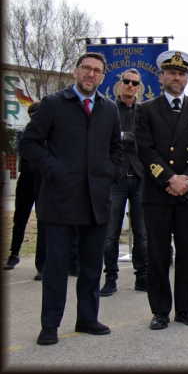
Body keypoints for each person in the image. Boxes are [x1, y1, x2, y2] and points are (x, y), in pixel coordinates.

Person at [19, 52, 123, 345]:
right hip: (60, 199)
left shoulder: (109, 109)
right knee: (56, 266)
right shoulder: (53, 104)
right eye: (86, 69)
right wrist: (55, 169)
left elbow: (117, 148)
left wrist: (110, 173)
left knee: (91, 265)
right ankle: (50, 324)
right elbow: (28, 142)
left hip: (96, 200)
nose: (91, 75)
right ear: (76, 71)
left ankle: (87, 318)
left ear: (103, 77)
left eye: (97, 71)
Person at [136, 50, 188, 330]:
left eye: (181, 74)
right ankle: (160, 311)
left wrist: (186, 180)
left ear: (187, 79)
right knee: (157, 254)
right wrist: (170, 179)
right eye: (171, 73)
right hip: (158, 192)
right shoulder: (146, 110)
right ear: (161, 77)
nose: (176, 78)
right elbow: (144, 150)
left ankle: (185, 309)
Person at [100, 69, 147, 297]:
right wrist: (126, 138)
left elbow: (146, 142)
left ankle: (143, 277)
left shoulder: (145, 112)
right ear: (120, 84)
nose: (130, 85)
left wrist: (123, 137)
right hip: (116, 178)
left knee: (142, 233)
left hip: (139, 177)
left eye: (134, 83)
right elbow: (102, 139)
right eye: (126, 81)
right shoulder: (108, 109)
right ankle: (110, 278)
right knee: (110, 234)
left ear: (139, 87)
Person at [4, 102, 40, 271]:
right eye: (35, 113)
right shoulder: (23, 132)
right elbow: (26, 150)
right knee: (20, 218)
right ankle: (14, 254)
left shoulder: (47, 133)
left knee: (44, 220)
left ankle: (42, 262)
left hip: (41, 179)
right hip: (26, 178)